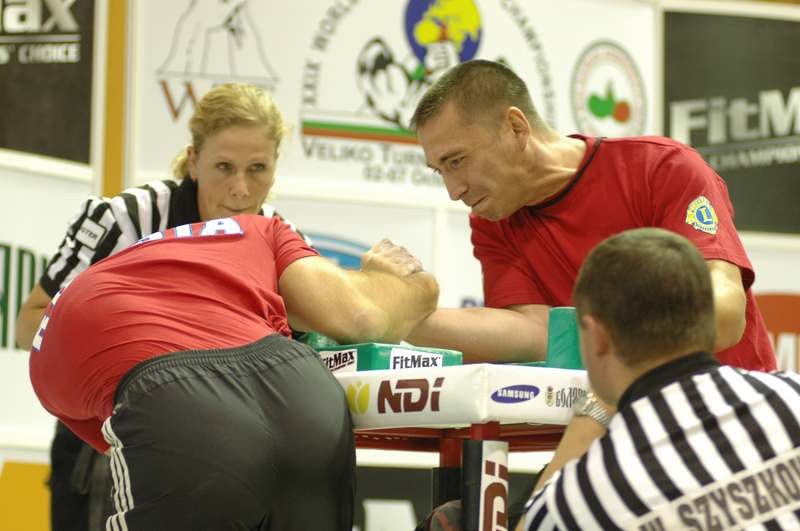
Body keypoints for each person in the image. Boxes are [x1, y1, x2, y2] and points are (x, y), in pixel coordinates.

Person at [15, 83, 313, 530]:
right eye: (223, 167)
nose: (240, 188)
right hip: (108, 444)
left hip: (230, 452)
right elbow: (31, 323)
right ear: (193, 160)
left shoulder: (280, 235)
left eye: (258, 169)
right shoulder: (122, 219)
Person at [29, 213, 438, 530]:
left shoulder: (64, 319)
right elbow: (360, 315)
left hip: (174, 400)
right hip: (301, 386)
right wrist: (416, 286)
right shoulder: (258, 229)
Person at [406, 59, 775, 372]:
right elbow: (534, 335)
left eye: (457, 161)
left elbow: (726, 312)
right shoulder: (492, 219)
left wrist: (612, 337)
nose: (454, 190)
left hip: (739, 418)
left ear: (516, 128)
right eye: (441, 170)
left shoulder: (662, 167)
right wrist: (397, 317)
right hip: (625, 421)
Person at [516, 228, 800, 530]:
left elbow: (538, 521)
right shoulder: (792, 397)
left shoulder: (576, 502)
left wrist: (590, 411)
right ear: (705, 317)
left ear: (598, 336)